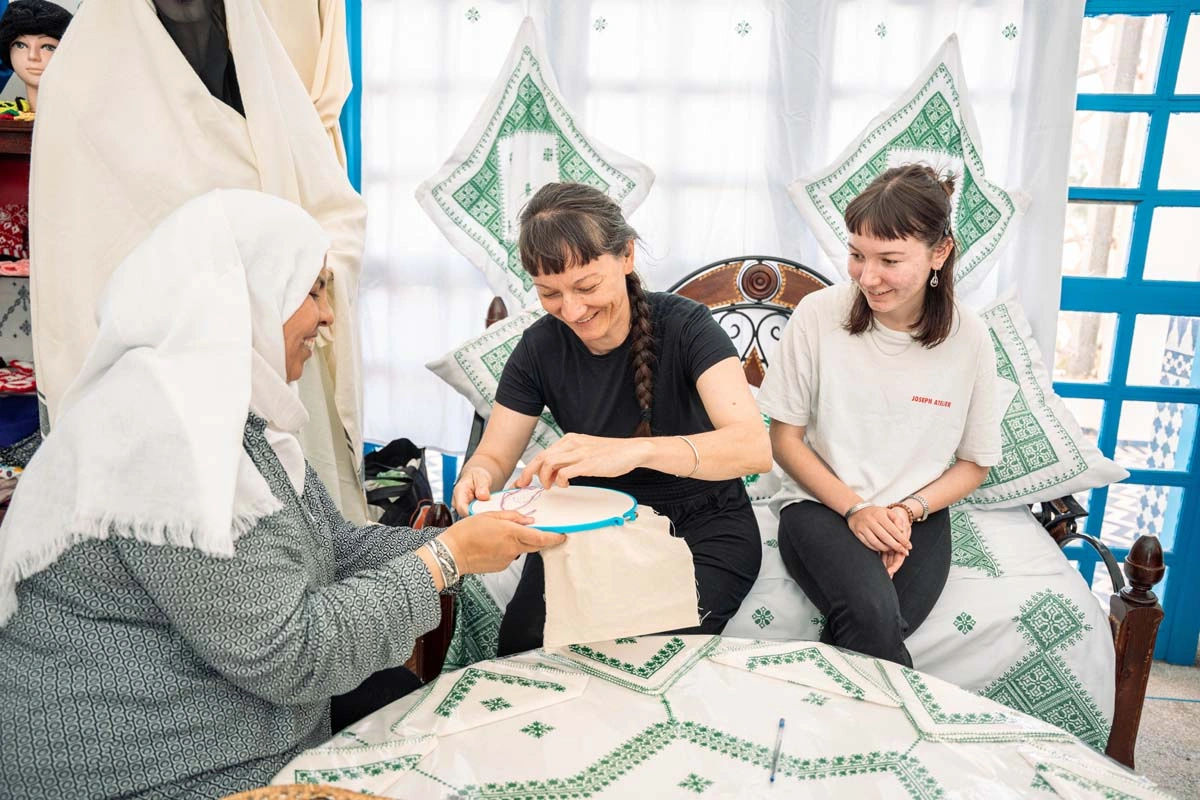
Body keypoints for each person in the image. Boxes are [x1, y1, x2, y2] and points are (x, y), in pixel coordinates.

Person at [0, 190, 565, 798]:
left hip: (240, 725)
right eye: (313, 290)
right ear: (245, 299)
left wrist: (461, 540)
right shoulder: (158, 442)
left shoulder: (232, 419)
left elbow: (336, 549)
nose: (327, 317)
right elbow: (290, 654)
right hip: (161, 772)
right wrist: (447, 560)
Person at [29, 0, 369, 523]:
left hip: (271, 373)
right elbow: (81, 249)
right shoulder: (80, 90)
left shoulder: (263, 86)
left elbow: (331, 212)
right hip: (151, 401)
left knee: (292, 539)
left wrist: (309, 276)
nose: (191, 17)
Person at [453, 182, 770, 655]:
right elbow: (495, 453)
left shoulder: (687, 327)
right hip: (586, 526)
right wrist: (476, 477)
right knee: (524, 652)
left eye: (586, 286)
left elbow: (753, 448)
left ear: (625, 256)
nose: (573, 310)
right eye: (549, 294)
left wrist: (630, 451)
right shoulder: (539, 348)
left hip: (701, 527)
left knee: (643, 657)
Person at [757, 164, 1002, 667]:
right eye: (856, 255)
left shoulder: (969, 337)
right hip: (820, 505)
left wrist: (905, 511)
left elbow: (974, 463)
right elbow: (785, 442)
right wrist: (856, 510)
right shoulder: (819, 315)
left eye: (889, 260)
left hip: (917, 515)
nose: (868, 276)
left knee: (877, 625)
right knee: (873, 616)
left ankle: (818, 727)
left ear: (940, 252)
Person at [0, 0, 72, 117]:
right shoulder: (6, 117)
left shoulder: (88, 121)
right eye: (20, 45)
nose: (33, 56)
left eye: (48, 47)